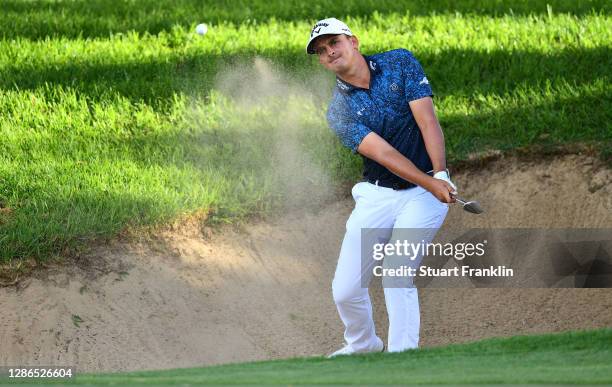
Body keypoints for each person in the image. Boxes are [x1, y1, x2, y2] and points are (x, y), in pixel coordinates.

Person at [306, 18, 458, 357]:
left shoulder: (399, 62)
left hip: (423, 194)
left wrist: (441, 173)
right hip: (378, 194)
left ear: (353, 41)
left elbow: (427, 120)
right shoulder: (339, 111)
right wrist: (431, 181)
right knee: (345, 290)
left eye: (334, 43)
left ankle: (402, 359)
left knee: (396, 273)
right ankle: (363, 345)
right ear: (320, 60)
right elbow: (386, 155)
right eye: (321, 50)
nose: (329, 52)